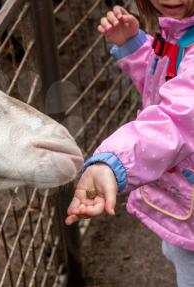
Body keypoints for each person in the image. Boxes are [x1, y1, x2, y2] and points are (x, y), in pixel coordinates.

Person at [65, 1, 194, 286]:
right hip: (181, 199)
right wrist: (135, 47)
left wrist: (114, 163)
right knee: (173, 249)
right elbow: (167, 87)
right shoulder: (178, 29)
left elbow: (178, 119)